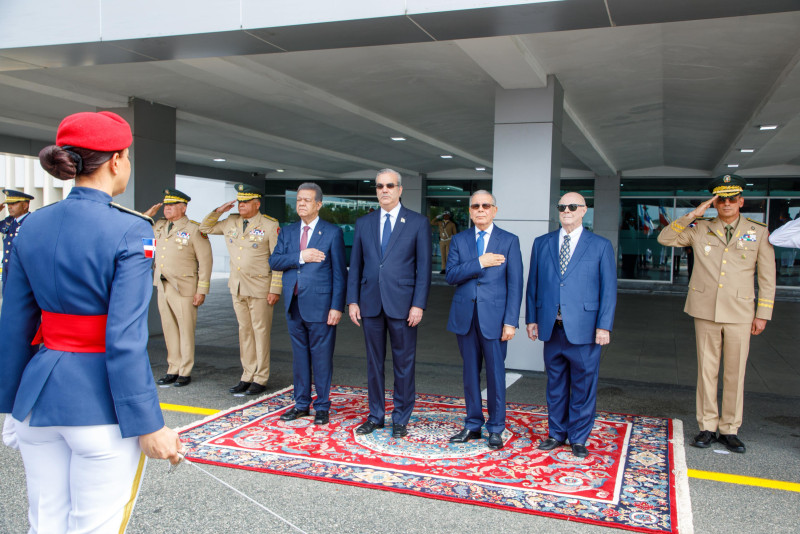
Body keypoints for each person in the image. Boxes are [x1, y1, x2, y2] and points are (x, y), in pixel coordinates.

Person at [0, 111, 182, 533]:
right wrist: (149, 424)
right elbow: (124, 341)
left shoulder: (30, 226)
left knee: (44, 524)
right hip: (99, 409)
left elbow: (14, 324)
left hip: (36, 402)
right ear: (117, 160)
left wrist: (9, 405)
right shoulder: (132, 231)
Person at [658, 174, 775, 453]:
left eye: (732, 198)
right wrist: (694, 214)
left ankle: (730, 429)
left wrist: (763, 314)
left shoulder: (759, 231)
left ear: (741, 201)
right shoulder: (700, 228)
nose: (726, 203)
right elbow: (665, 237)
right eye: (721, 198)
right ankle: (707, 426)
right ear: (715, 201)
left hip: (740, 311)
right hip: (706, 309)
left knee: (735, 373)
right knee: (707, 371)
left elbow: (767, 277)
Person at [525, 193, 617, 458]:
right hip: (551, 327)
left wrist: (604, 326)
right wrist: (531, 318)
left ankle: (578, 437)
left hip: (586, 329)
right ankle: (556, 433)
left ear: (583, 210)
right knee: (555, 383)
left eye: (572, 206)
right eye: (562, 207)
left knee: (583, 384)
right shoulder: (542, 243)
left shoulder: (600, 245)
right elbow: (534, 284)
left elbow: (608, 290)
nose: (566, 210)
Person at [347, 169, 431, 438]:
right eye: (379, 186)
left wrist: (418, 304)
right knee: (373, 363)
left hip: (404, 306)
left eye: (389, 186)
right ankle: (375, 415)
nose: (384, 190)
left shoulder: (417, 223)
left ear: (400, 189)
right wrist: (352, 301)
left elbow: (424, 268)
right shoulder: (364, 223)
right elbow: (356, 266)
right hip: (370, 303)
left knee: (403, 363)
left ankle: (401, 418)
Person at [445, 191, 522, 450]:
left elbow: (516, 284)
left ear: (494, 210)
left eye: (485, 205)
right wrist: (480, 262)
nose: (480, 210)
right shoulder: (459, 239)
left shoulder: (509, 241)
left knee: (496, 375)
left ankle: (496, 428)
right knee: (469, 374)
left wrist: (511, 321)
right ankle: (472, 424)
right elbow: (451, 275)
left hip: (496, 320)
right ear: (469, 211)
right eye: (475, 206)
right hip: (465, 318)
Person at [269, 183, 347, 425]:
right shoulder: (289, 231)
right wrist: (301, 256)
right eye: (298, 200)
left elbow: (339, 274)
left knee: (322, 358)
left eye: (307, 200)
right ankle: (301, 404)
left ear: (318, 204)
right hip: (294, 305)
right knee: (300, 358)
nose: (301, 204)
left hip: (322, 307)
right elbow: (275, 261)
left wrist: (337, 307)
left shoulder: (332, 232)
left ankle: (322, 406)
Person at [200, 183, 282, 396]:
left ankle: (261, 377)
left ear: (257, 204)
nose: (241, 205)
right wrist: (218, 211)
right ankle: (247, 375)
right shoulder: (230, 221)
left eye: (246, 202)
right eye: (239, 202)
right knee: (244, 332)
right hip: (237, 286)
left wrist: (275, 288)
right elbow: (204, 228)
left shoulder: (270, 225)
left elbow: (277, 260)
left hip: (260, 287)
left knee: (260, 332)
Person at [144, 189, 213, 388]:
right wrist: (146, 216)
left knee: (185, 329)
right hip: (163, 284)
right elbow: (146, 247)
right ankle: (172, 368)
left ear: (183, 208)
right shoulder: (158, 227)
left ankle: (185, 370)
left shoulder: (194, 229)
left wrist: (202, 290)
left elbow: (205, 262)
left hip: (184, 286)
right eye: (166, 206)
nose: (167, 209)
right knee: (169, 329)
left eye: (172, 206)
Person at [0, 189, 34, 292]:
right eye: (9, 204)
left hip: (22, 271)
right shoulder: (9, 221)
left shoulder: (31, 221)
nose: (9, 207)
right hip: (7, 270)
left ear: (25, 205)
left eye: (13, 204)